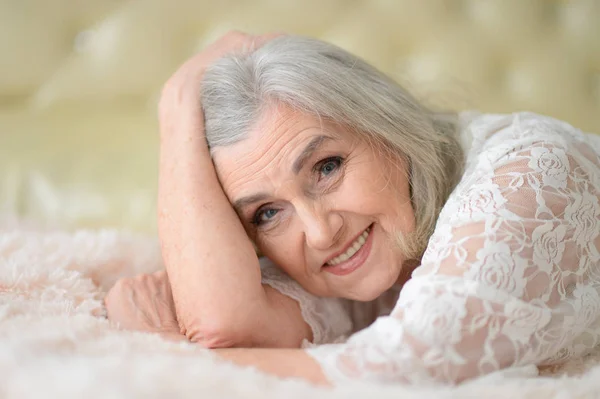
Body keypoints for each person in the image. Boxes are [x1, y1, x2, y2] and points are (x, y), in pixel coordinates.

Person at [104, 31, 600, 386]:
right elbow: (226, 323)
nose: (320, 234)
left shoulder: (527, 174)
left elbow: (398, 371)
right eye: (267, 214)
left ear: (387, 125)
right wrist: (177, 126)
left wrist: (163, 348)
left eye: (327, 167)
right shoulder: (377, 248)